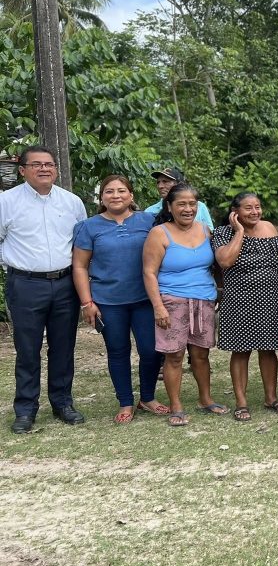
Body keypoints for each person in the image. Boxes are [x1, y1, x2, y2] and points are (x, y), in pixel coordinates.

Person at [1, 146, 88, 433]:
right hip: (25, 284)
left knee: (63, 346)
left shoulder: (72, 202)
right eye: (36, 164)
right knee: (27, 349)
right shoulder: (6, 202)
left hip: (65, 284)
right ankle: (26, 409)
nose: (43, 169)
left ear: (56, 170)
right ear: (22, 170)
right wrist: (12, 266)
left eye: (49, 164)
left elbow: (82, 244)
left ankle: (62, 403)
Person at [72, 175, 166, 424]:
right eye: (109, 191)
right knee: (117, 351)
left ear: (131, 195)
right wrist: (87, 303)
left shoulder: (149, 221)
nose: (116, 195)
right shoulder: (88, 227)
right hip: (108, 301)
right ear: (101, 198)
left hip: (145, 299)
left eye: (121, 190)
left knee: (151, 351)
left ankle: (147, 397)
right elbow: (80, 266)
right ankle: (125, 401)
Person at [142, 183, 221, 427]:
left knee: (201, 354)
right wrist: (158, 307)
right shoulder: (159, 234)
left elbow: (216, 266)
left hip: (203, 300)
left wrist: (219, 292)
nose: (188, 209)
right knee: (174, 356)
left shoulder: (206, 230)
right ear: (170, 206)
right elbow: (149, 272)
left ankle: (205, 399)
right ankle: (176, 406)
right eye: (182, 204)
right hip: (172, 301)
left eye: (192, 204)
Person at [212, 192, 278, 422]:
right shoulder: (223, 233)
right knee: (240, 350)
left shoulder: (270, 228)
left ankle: (271, 397)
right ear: (235, 212)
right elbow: (225, 261)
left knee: (269, 349)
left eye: (257, 207)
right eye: (248, 208)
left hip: (270, 299)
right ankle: (241, 402)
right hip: (238, 300)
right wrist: (239, 232)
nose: (255, 212)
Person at [145, 167, 214, 231]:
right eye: (158, 182)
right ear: (169, 207)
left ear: (179, 184)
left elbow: (210, 232)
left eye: (165, 181)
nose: (160, 186)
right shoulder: (149, 211)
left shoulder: (200, 207)